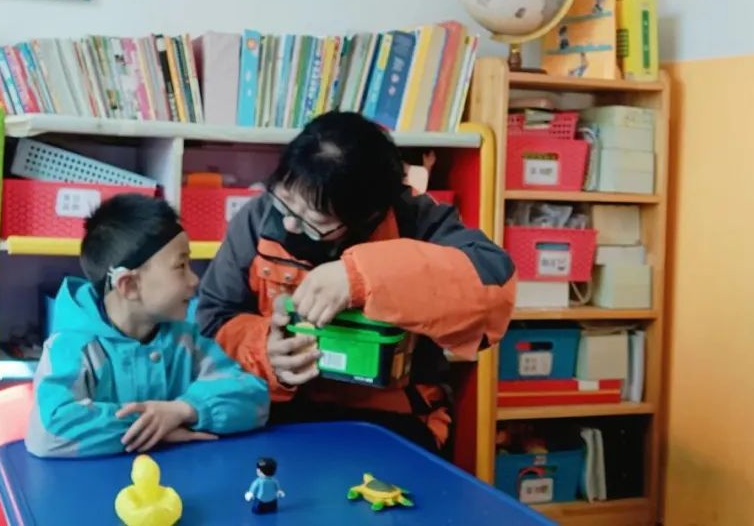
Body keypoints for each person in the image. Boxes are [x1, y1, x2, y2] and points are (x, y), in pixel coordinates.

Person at [197, 112, 515, 451]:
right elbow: (215, 317)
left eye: (315, 218)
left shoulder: (415, 220)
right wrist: (267, 353)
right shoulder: (258, 219)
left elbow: (492, 291)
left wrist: (362, 277)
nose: (289, 223)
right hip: (278, 408)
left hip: (391, 415)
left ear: (367, 214)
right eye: (285, 199)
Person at [26, 195, 269, 458]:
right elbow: (49, 429)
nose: (194, 280)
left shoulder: (186, 340)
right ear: (129, 285)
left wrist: (183, 410)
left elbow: (254, 399)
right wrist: (156, 427)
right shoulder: (72, 347)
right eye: (181, 266)